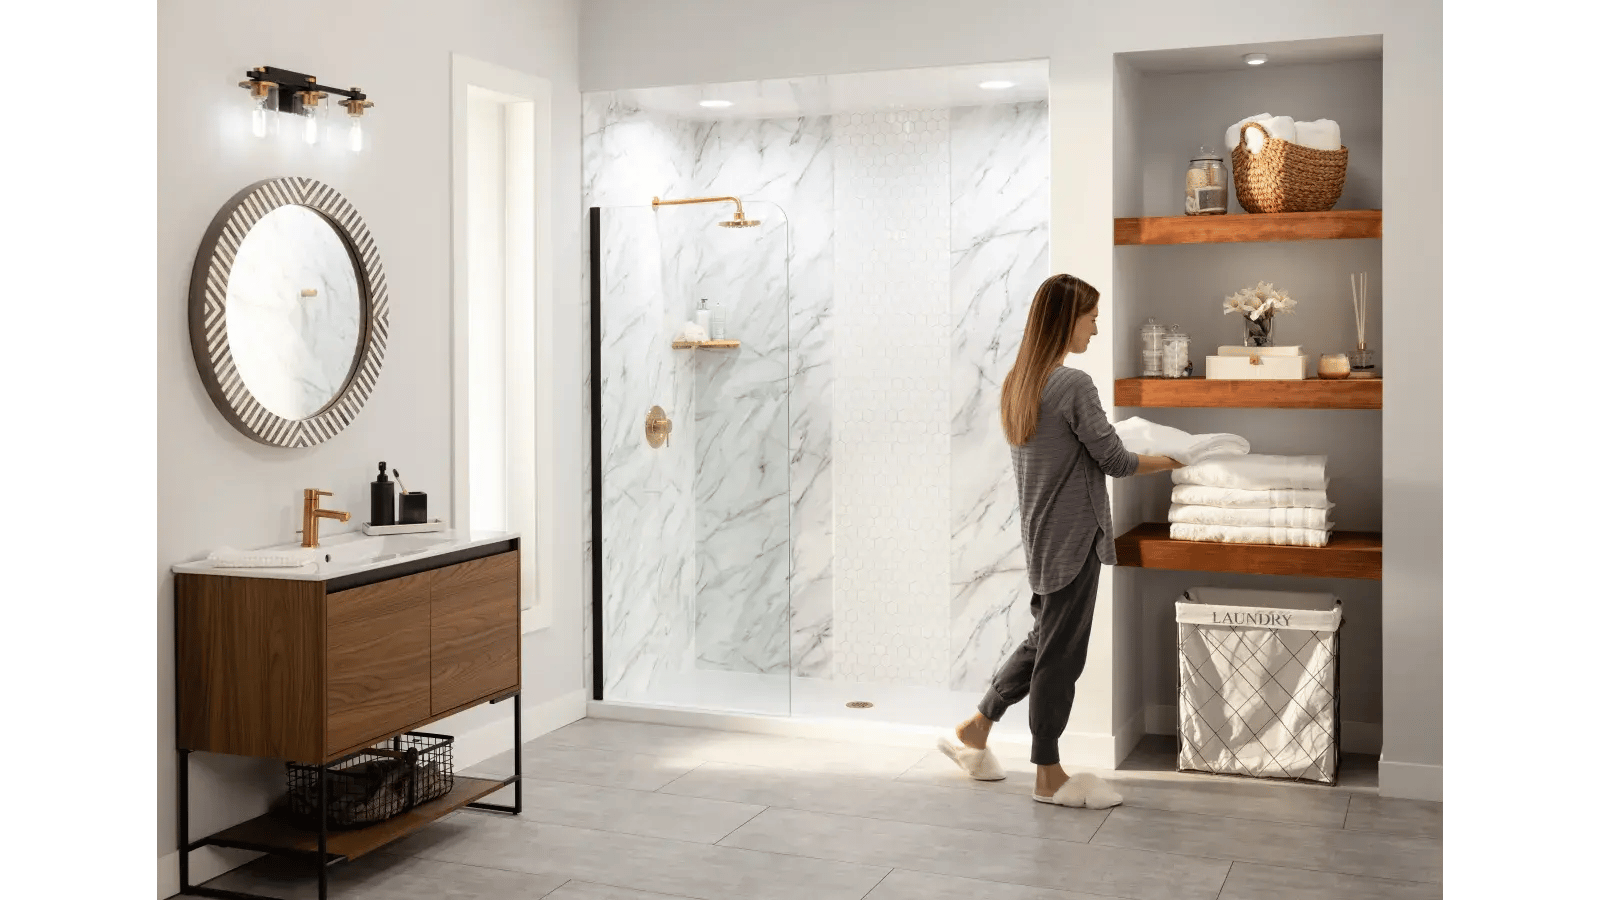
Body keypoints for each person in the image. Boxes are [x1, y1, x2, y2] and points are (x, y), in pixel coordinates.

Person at [937, 273, 1182, 809]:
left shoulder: (1019, 382)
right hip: (1074, 539)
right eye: (1090, 316)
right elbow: (1115, 461)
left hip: (1043, 535)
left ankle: (977, 727)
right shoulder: (1073, 385)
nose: (1096, 326)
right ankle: (1048, 773)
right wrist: (1181, 458)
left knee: (1043, 640)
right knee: (1060, 658)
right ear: (1065, 320)